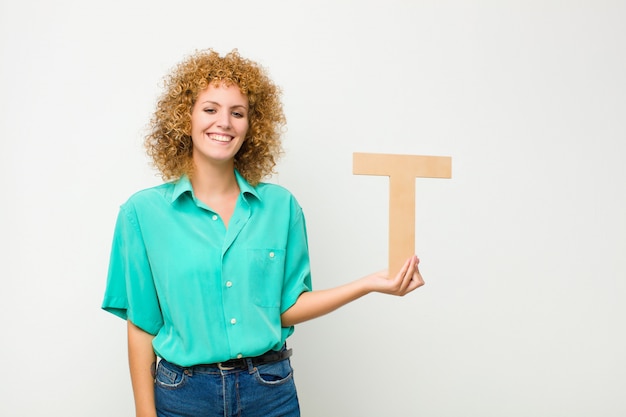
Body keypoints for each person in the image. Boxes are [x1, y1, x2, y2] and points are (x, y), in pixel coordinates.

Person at [102, 49, 424, 417]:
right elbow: (141, 327)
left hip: (269, 392)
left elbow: (286, 308)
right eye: (210, 109)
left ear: (251, 125)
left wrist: (368, 283)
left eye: (237, 113)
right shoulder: (143, 214)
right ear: (184, 118)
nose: (224, 122)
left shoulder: (281, 207)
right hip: (183, 397)